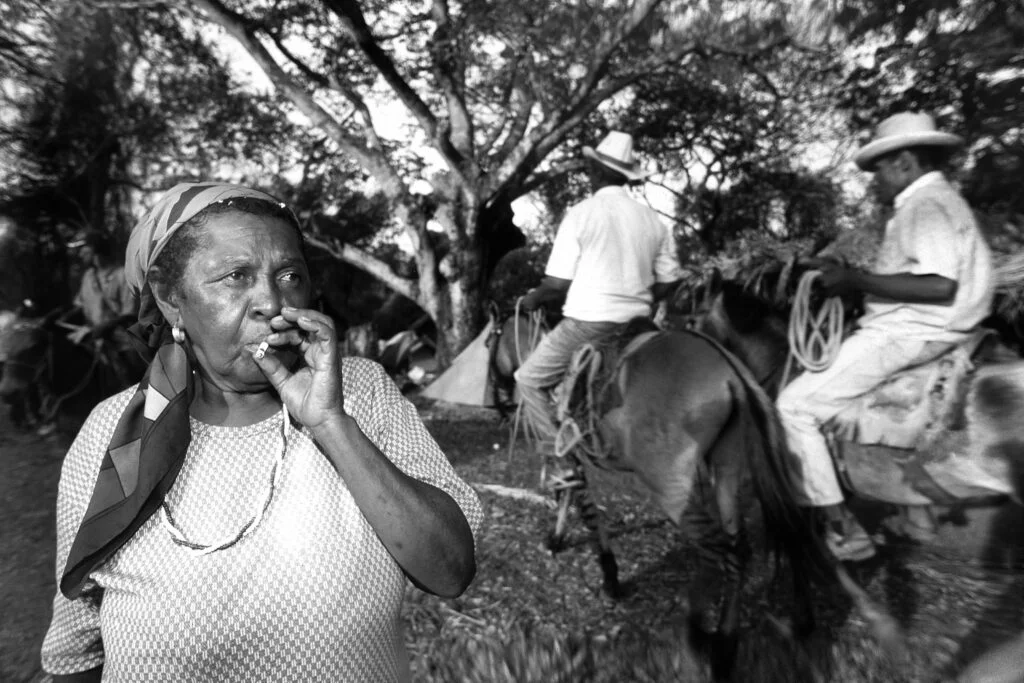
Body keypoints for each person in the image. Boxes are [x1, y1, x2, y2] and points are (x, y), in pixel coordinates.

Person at [40, 183, 482, 682]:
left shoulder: (362, 393)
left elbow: (449, 569)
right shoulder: (114, 433)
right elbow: (76, 650)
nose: (272, 302)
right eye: (236, 277)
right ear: (169, 299)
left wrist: (331, 423)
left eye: (290, 274)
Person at [777, 112, 995, 561]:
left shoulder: (925, 205)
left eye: (879, 170)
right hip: (927, 327)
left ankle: (842, 527)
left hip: (912, 332)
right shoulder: (937, 201)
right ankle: (917, 514)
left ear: (905, 162)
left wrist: (854, 279)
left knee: (794, 406)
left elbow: (940, 285)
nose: (875, 181)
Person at [515, 131, 683, 457]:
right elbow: (668, 283)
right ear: (625, 176)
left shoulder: (580, 213)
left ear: (597, 172)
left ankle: (563, 465)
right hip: (639, 324)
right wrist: (635, 291)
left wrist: (533, 299)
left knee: (528, 380)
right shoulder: (653, 220)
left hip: (589, 323)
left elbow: (557, 284)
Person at [65, 231, 141, 385]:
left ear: (96, 249)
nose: (80, 254)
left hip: (121, 339)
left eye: (83, 248)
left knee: (132, 374)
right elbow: (80, 305)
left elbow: (130, 313)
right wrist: (61, 317)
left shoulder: (122, 275)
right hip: (92, 336)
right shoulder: (88, 276)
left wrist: (106, 326)